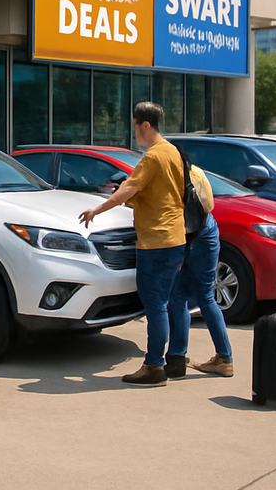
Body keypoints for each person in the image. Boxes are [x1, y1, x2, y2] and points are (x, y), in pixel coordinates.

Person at [80, 102, 186, 387]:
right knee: (171, 302)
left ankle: (154, 366)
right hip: (176, 238)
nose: (135, 132)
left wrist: (97, 210)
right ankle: (175, 358)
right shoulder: (173, 152)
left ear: (145, 125)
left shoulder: (152, 157)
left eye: (135, 126)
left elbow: (128, 189)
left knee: (155, 306)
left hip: (155, 241)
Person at [165, 168, 234, 378]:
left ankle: (177, 357)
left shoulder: (168, 177)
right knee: (203, 296)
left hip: (186, 235)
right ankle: (224, 357)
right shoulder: (196, 172)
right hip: (208, 231)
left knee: (177, 297)